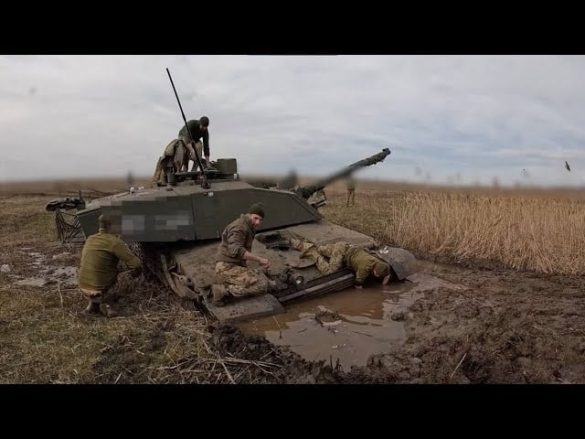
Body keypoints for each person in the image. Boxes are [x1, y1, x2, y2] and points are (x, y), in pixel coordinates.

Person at [212, 203, 277, 306]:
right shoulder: (239, 227)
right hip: (226, 266)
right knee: (261, 285)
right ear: (249, 215)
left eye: (260, 220)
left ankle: (229, 281)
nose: (258, 222)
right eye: (255, 218)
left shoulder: (247, 226)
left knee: (260, 274)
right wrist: (260, 259)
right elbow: (237, 250)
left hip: (234, 264)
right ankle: (223, 290)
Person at [78, 214, 142, 317]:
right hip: (100, 291)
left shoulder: (90, 238)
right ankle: (110, 306)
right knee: (129, 274)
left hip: (83, 287)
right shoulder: (115, 242)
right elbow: (136, 264)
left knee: (99, 269)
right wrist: (135, 274)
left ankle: (92, 307)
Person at [286, 234, 391, 288]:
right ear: (375, 272)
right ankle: (313, 254)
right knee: (329, 271)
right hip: (342, 253)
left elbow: (387, 270)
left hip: (344, 246)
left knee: (320, 249)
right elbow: (358, 284)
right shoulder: (365, 268)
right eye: (378, 275)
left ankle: (296, 243)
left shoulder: (376, 260)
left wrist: (386, 276)